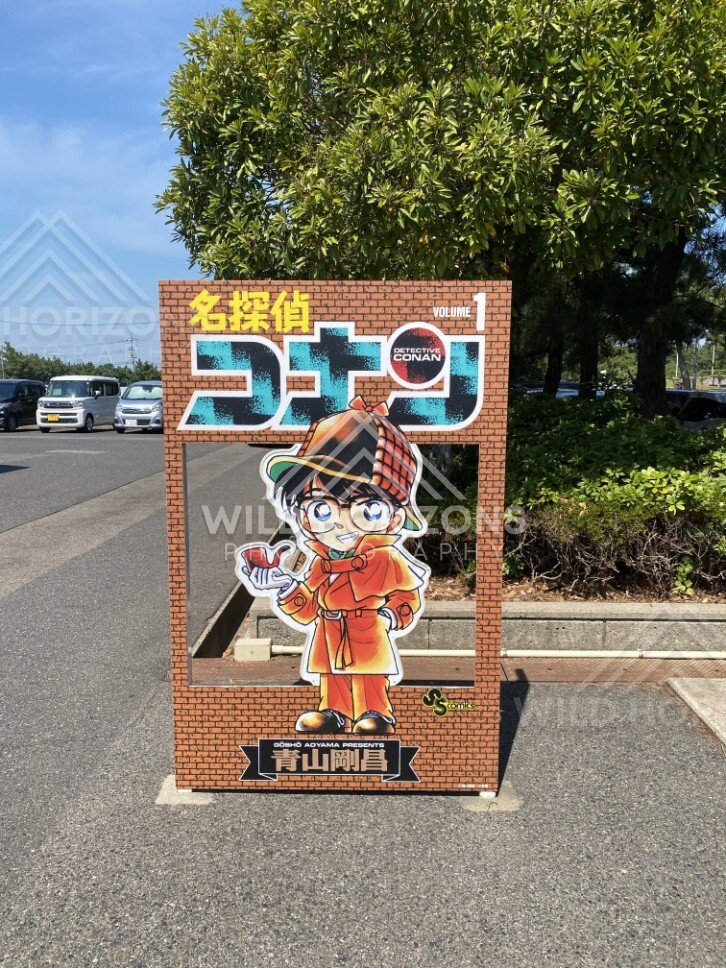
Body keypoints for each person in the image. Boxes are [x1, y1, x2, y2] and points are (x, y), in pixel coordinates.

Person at [236, 396, 429, 734]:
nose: (340, 523)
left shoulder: (385, 558)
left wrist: (390, 615)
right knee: (332, 677)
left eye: (366, 509)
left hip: (369, 628)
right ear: (302, 514)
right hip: (328, 631)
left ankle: (376, 712)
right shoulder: (320, 563)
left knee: (370, 676)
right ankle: (333, 712)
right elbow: (309, 610)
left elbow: (407, 599)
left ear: (394, 516)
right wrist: (283, 585)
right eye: (321, 509)